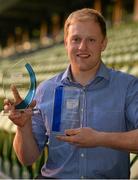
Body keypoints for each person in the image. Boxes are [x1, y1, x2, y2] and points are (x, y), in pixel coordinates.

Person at [4, 8, 138, 179]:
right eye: (76, 39)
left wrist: (100, 138)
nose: (82, 47)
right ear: (66, 42)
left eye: (91, 39)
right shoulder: (45, 90)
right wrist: (23, 128)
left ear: (103, 43)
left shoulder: (127, 86)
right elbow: (27, 158)